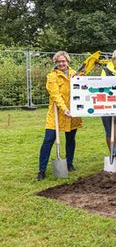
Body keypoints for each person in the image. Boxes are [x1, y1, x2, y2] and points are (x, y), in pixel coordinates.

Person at [37, 51, 82, 181]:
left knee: (71, 139)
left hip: (72, 113)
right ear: (55, 63)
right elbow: (55, 95)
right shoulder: (52, 77)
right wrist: (64, 109)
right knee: (48, 140)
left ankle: (69, 164)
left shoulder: (75, 75)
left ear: (68, 62)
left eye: (64, 61)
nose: (62, 63)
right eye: (59, 61)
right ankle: (41, 170)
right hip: (56, 113)